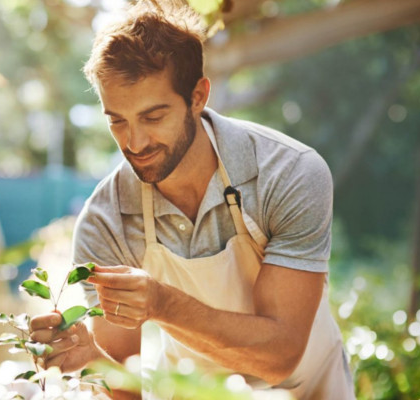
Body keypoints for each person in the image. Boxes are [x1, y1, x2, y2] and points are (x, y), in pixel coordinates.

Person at [29, 2, 354, 398]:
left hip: (308, 388)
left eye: (153, 117)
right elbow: (126, 389)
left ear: (198, 96)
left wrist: (164, 304)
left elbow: (279, 358)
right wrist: (91, 359)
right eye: (117, 120)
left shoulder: (289, 173)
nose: (134, 143)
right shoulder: (106, 221)